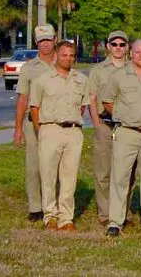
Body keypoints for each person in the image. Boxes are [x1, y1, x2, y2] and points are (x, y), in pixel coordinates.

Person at [102, 38, 141, 235]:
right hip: (126, 133)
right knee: (120, 178)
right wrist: (123, 115)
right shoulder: (119, 76)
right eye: (137, 52)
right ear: (131, 53)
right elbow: (107, 100)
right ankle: (115, 221)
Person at [28, 40, 88, 231]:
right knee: (48, 175)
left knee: (69, 177)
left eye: (71, 56)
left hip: (73, 131)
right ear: (56, 55)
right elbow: (34, 107)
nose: (68, 59)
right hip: (50, 129)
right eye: (64, 55)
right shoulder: (43, 79)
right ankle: (50, 216)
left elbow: (83, 106)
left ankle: (66, 218)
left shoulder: (81, 79)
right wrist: (42, 131)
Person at [13, 23, 56, 222]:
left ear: (54, 39)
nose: (45, 45)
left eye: (48, 40)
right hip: (34, 122)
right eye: (41, 41)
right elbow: (22, 98)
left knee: (56, 165)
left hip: (57, 122)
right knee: (34, 166)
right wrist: (18, 128)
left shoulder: (63, 62)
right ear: (36, 43)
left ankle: (54, 204)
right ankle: (35, 206)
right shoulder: (29, 68)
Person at [86, 30, 128, 226]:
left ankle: (123, 212)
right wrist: (96, 123)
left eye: (122, 44)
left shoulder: (133, 68)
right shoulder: (98, 70)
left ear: (127, 46)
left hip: (127, 127)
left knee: (126, 172)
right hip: (105, 123)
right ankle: (105, 213)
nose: (118, 48)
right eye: (114, 44)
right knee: (103, 171)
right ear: (108, 46)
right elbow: (91, 99)